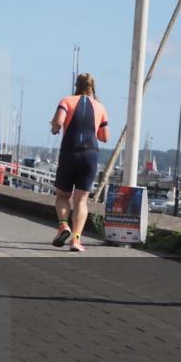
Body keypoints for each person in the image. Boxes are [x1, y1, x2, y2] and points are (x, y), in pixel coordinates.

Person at [49, 73, 109, 252]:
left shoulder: (67, 101)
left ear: (76, 85)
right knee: (81, 200)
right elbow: (104, 137)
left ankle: (63, 226)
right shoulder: (100, 107)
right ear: (92, 87)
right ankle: (76, 240)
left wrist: (55, 127)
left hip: (69, 153)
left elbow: (59, 122)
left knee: (62, 195)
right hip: (90, 155)